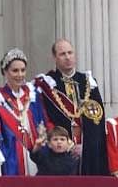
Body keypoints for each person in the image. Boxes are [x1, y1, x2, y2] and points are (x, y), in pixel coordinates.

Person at [34, 38, 108, 175]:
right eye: (62, 54)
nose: (67, 57)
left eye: (70, 53)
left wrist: (85, 147)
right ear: (54, 57)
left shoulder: (88, 81)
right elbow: (44, 118)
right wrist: (65, 143)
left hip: (87, 152)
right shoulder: (47, 83)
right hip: (59, 153)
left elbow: (98, 119)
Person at [0, 48, 47, 175]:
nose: (20, 75)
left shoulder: (33, 96)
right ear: (5, 72)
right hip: (10, 160)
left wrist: (40, 143)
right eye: (15, 71)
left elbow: (41, 124)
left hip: (35, 159)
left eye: (23, 70)